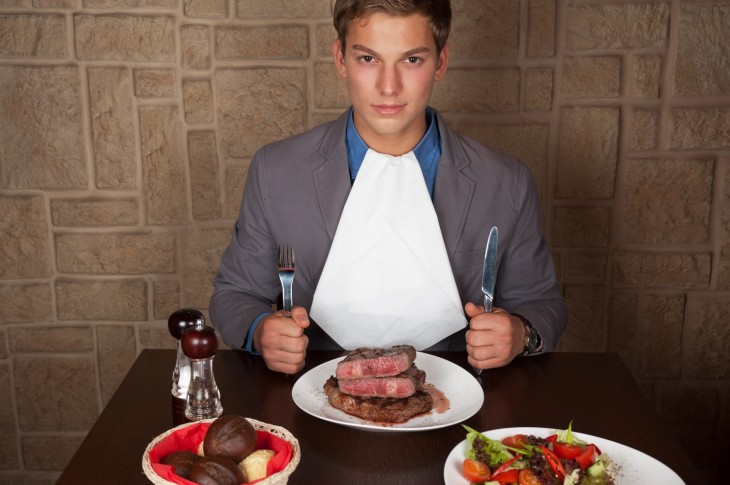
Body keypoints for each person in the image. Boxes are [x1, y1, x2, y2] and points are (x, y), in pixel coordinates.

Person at [210, 0, 567, 375]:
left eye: (412, 60)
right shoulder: (276, 170)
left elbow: (543, 302)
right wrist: (260, 330)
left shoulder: (507, 181)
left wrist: (520, 333)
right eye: (368, 59)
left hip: (455, 402)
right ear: (340, 59)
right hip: (311, 399)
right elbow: (235, 293)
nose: (388, 86)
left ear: (440, 63)